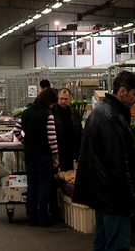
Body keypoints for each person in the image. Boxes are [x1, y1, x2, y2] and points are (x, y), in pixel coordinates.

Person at [73, 71, 135, 251]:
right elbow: (118, 164)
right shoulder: (112, 118)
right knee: (116, 245)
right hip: (113, 197)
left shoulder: (100, 112)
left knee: (103, 242)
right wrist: (130, 199)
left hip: (101, 193)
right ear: (122, 91)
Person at [13, 87, 59, 227]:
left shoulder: (26, 113)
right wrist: (55, 156)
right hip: (44, 154)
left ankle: (31, 217)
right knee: (44, 185)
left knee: (32, 184)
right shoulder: (48, 115)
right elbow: (52, 138)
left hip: (29, 153)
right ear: (49, 101)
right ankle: (43, 217)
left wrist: (25, 142)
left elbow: (16, 131)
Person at [49, 88, 83, 220]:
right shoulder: (52, 112)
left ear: (70, 99)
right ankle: (54, 210)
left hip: (70, 153)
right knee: (54, 182)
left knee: (68, 182)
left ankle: (67, 211)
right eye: (61, 99)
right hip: (57, 152)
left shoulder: (74, 112)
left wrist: (79, 152)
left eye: (66, 99)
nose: (63, 101)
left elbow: (79, 131)